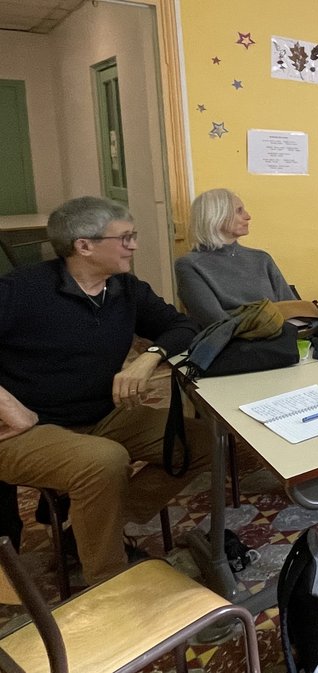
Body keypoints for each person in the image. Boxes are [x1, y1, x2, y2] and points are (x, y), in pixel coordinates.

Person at [0, 196, 209, 585]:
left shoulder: (125, 289)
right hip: (27, 430)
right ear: (84, 245)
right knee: (104, 461)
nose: (134, 245)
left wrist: (149, 358)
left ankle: (85, 531)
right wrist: (6, 403)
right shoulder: (22, 290)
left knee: (204, 443)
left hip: (102, 415)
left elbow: (183, 327)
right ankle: (110, 584)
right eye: (125, 237)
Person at [174, 188, 298, 326]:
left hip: (279, 337)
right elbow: (214, 321)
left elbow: (292, 309)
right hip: (232, 342)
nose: (248, 216)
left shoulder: (261, 259)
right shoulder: (189, 264)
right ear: (216, 216)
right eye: (239, 211)